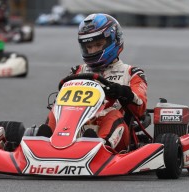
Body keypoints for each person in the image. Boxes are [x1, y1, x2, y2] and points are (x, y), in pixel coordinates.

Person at [46, 13, 148, 152]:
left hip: (117, 131)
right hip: (75, 125)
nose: (93, 50)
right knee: (55, 111)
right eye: (89, 46)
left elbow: (140, 108)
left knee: (112, 114)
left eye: (98, 45)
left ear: (114, 40)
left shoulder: (131, 73)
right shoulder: (77, 71)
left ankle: (100, 147)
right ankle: (45, 142)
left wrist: (123, 92)